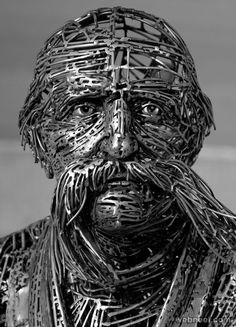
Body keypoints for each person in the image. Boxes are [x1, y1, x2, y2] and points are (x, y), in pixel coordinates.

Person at [1, 7, 236, 327]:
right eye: (84, 109)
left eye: (151, 109)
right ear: (42, 138)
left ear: (191, 133)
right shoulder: (7, 269)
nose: (120, 144)